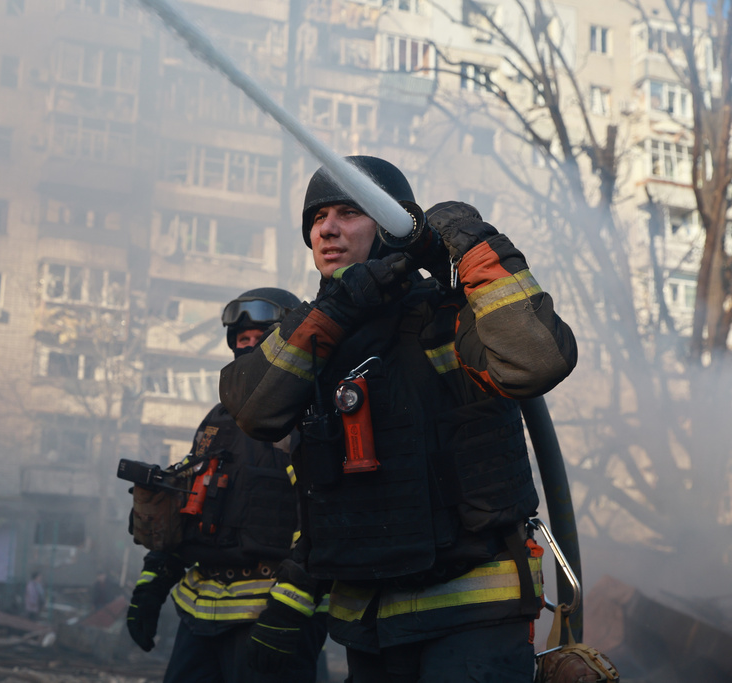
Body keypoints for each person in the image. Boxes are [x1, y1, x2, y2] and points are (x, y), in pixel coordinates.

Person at [219, 156, 578, 682]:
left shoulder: (446, 318)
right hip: (367, 621)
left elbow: (537, 359)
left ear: (390, 227)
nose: (328, 228)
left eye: (349, 212)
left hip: (470, 615)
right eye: (317, 218)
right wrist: (338, 311)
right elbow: (253, 409)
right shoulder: (314, 333)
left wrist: (471, 242)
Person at [126, 288, 328, 683]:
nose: (249, 350)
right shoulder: (218, 421)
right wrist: (151, 586)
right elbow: (194, 504)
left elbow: (324, 525)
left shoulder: (309, 418)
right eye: (242, 341)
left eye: (260, 340)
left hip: (272, 618)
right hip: (199, 616)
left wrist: (287, 613)